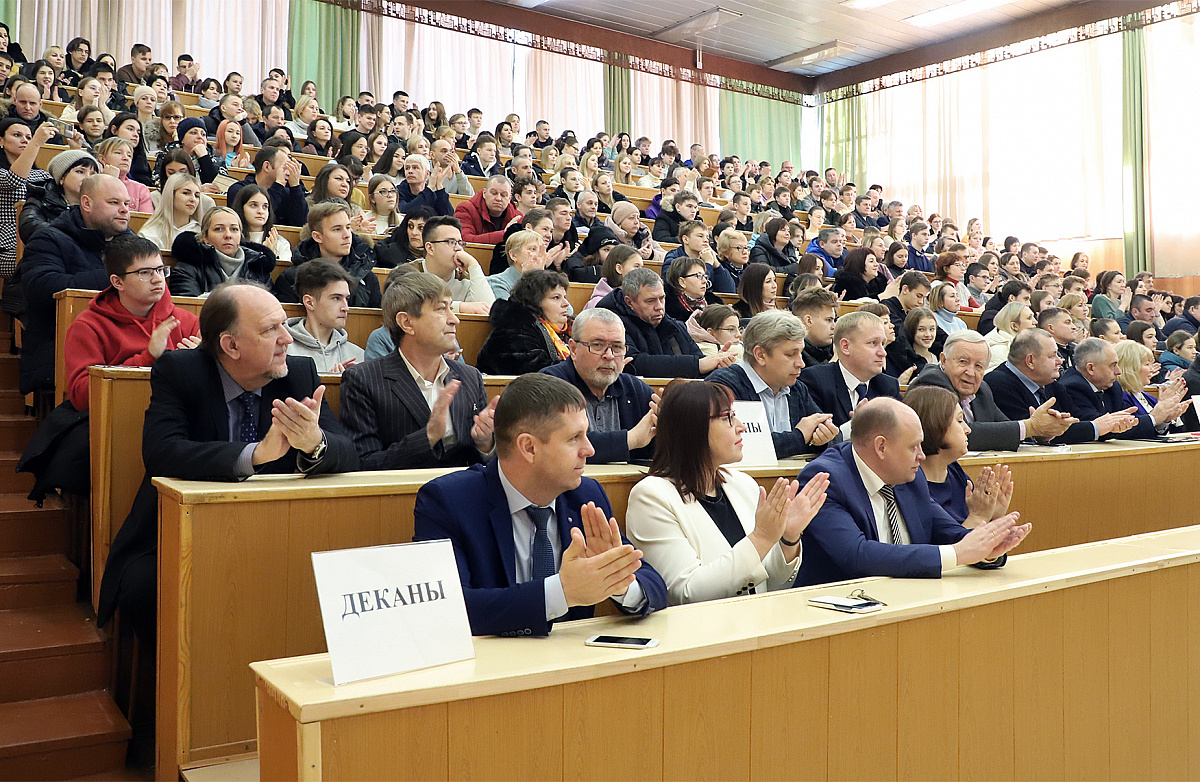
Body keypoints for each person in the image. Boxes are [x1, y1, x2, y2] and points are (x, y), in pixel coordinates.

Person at [96, 282, 358, 727]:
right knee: (146, 589)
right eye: (272, 329)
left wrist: (315, 443)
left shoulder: (299, 373)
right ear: (230, 345)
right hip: (179, 533)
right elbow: (162, 451)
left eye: (284, 325)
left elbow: (349, 453)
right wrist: (255, 456)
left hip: (276, 534)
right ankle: (172, 719)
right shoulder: (182, 371)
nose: (287, 338)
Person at [412, 373, 667, 636]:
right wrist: (562, 592)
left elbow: (654, 585)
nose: (589, 450)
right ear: (529, 448)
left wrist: (617, 581)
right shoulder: (448, 501)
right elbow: (449, 608)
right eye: (574, 438)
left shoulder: (585, 495)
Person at [625, 380, 828, 604]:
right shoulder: (651, 497)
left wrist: (788, 537)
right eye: (728, 418)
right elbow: (685, 593)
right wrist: (762, 538)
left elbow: (772, 585)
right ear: (693, 428)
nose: (741, 426)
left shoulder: (742, 483)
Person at [793, 397, 1029, 587]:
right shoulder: (825, 479)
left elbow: (947, 532)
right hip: (838, 612)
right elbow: (857, 555)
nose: (922, 456)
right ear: (881, 447)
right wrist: (959, 554)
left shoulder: (910, 476)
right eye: (913, 446)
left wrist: (987, 549)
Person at [341, 271, 497, 469]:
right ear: (407, 323)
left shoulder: (470, 376)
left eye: (451, 308)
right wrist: (428, 437)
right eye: (441, 309)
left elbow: (484, 462)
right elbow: (363, 463)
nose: (454, 320)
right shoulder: (363, 379)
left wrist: (485, 443)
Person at [17, 174, 133, 393]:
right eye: (114, 202)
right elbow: (44, 289)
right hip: (59, 350)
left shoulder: (134, 245)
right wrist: (116, 279)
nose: (124, 209)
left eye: (126, 203)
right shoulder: (49, 238)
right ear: (86, 203)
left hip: (124, 348)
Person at [63, 235, 200, 410]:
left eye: (160, 270)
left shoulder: (185, 321)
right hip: (117, 416)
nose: (158, 279)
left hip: (177, 414)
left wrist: (201, 362)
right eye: (145, 272)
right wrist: (149, 357)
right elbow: (82, 397)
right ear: (117, 282)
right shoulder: (88, 326)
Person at [911, 330, 1074, 451]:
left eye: (979, 366)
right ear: (944, 360)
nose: (970, 372)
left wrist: (1041, 433)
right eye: (963, 362)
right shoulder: (932, 382)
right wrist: (1031, 426)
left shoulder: (982, 389)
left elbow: (1004, 426)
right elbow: (962, 434)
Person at [708, 311, 840, 458]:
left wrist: (822, 439)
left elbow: (833, 437)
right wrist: (800, 436)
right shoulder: (723, 387)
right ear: (760, 355)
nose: (801, 363)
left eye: (801, 353)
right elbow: (745, 447)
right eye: (791, 354)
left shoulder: (796, 388)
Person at [540, 308, 658, 464]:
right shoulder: (551, 385)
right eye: (597, 345)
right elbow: (561, 445)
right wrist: (631, 439)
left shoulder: (637, 390)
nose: (609, 355)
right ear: (573, 349)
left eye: (617, 347)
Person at [984, 329, 1136, 444]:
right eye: (1053, 355)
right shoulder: (998, 384)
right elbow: (1035, 434)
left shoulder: (1052, 385)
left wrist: (1111, 427)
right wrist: (1096, 428)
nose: (1061, 360)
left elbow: (1076, 421)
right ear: (1030, 361)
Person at [902, 386, 1014, 524]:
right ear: (936, 425)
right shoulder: (912, 485)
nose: (967, 429)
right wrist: (978, 517)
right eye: (960, 421)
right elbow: (949, 543)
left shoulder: (955, 471)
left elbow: (977, 531)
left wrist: (993, 516)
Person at [595, 268, 735, 378]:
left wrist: (716, 366)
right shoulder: (610, 324)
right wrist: (699, 364)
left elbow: (699, 363)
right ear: (629, 302)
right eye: (650, 301)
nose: (659, 306)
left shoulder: (675, 326)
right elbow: (634, 363)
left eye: (662, 299)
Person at [1059, 337, 1187, 440]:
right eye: (1113, 365)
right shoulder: (1073, 387)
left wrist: (1163, 418)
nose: (1118, 372)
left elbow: (1127, 424)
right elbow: (1106, 427)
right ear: (1091, 368)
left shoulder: (1112, 386)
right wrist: (1154, 417)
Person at [799, 311, 901, 433]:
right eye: (873, 343)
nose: (882, 353)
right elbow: (817, 441)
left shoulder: (888, 386)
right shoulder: (814, 380)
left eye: (883, 344)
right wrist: (854, 426)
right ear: (845, 346)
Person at [276, 202, 381, 308]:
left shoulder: (366, 276)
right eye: (337, 229)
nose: (347, 235)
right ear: (317, 237)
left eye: (348, 227)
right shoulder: (292, 278)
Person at [477, 269, 571, 375]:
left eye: (565, 297)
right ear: (535, 301)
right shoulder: (513, 329)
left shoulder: (566, 330)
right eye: (556, 297)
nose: (566, 303)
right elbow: (538, 372)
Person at [169, 206, 277, 297]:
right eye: (219, 229)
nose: (228, 235)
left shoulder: (258, 265)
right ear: (205, 237)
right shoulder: (188, 267)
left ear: (240, 236)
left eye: (234, 229)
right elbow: (189, 309)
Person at [283, 260, 365, 374]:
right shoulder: (283, 351)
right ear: (310, 303)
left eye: (346, 299)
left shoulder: (358, 355)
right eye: (336, 298)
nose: (346, 307)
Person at [406, 214, 494, 314]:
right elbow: (408, 307)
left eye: (460, 243)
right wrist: (459, 307)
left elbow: (488, 310)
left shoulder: (466, 279)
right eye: (451, 242)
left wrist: (473, 265)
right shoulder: (408, 274)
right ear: (430, 248)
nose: (458, 249)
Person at [17, 148, 96, 244]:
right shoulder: (41, 197)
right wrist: (74, 233)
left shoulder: (98, 204)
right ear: (62, 178)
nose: (87, 178)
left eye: (93, 174)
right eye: (80, 172)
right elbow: (29, 227)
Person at [227, 145, 309, 228]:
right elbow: (260, 216)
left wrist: (295, 186)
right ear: (267, 166)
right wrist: (278, 184)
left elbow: (301, 222)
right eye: (284, 167)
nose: (288, 172)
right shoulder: (238, 189)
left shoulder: (285, 193)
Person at [1115, 339, 1188, 433]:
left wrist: (1168, 417)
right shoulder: (1120, 399)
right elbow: (1132, 433)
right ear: (1130, 368)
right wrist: (1157, 414)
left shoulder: (1147, 397)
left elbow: (1173, 434)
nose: (1152, 369)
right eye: (1147, 364)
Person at [230, 183, 292, 264]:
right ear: (241, 208)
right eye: (254, 205)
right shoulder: (231, 239)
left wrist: (271, 256)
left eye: (265, 206)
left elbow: (281, 273)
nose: (260, 211)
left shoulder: (281, 243)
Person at [137, 172, 202, 250]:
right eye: (186, 193)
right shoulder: (149, 234)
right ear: (171, 195)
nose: (193, 199)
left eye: (197, 195)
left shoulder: (201, 233)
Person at [454, 175, 520, 244]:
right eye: (494, 193)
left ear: (509, 198)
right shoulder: (465, 209)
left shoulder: (517, 217)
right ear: (484, 193)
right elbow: (464, 240)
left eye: (503, 195)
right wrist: (504, 234)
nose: (498, 198)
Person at [487, 228, 545, 300]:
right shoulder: (497, 282)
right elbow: (511, 310)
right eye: (532, 249)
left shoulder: (546, 283)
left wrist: (540, 276)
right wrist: (528, 278)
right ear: (513, 255)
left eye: (540, 250)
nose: (538, 255)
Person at [663, 253, 720, 322]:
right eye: (699, 276)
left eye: (705, 276)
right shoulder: (669, 309)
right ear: (682, 282)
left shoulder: (714, 303)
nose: (705, 281)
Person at [984, 301, 1035, 372]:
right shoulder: (999, 351)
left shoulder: (1023, 344)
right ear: (1014, 326)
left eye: (1033, 317)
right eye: (1029, 318)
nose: (1035, 322)